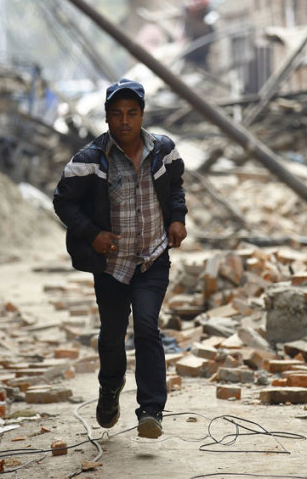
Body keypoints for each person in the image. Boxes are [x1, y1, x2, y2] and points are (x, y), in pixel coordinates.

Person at [53, 78, 187, 439]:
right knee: (113, 335)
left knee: (146, 327)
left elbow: (175, 187)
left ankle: (151, 410)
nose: (125, 121)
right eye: (117, 114)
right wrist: (92, 234)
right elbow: (63, 201)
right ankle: (110, 389)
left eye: (132, 113)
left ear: (142, 115)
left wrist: (177, 219)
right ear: (107, 118)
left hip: (151, 258)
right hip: (112, 264)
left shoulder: (164, 150)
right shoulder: (89, 161)